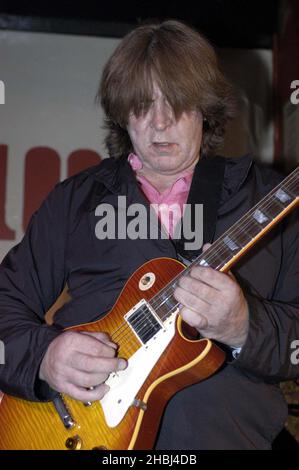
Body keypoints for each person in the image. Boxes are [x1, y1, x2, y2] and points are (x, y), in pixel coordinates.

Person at [0, 19, 299, 450]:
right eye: (142, 104)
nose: (159, 123)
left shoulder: (271, 201)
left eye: (175, 102)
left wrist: (244, 326)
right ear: (123, 114)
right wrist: (44, 357)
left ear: (205, 109)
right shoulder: (75, 201)